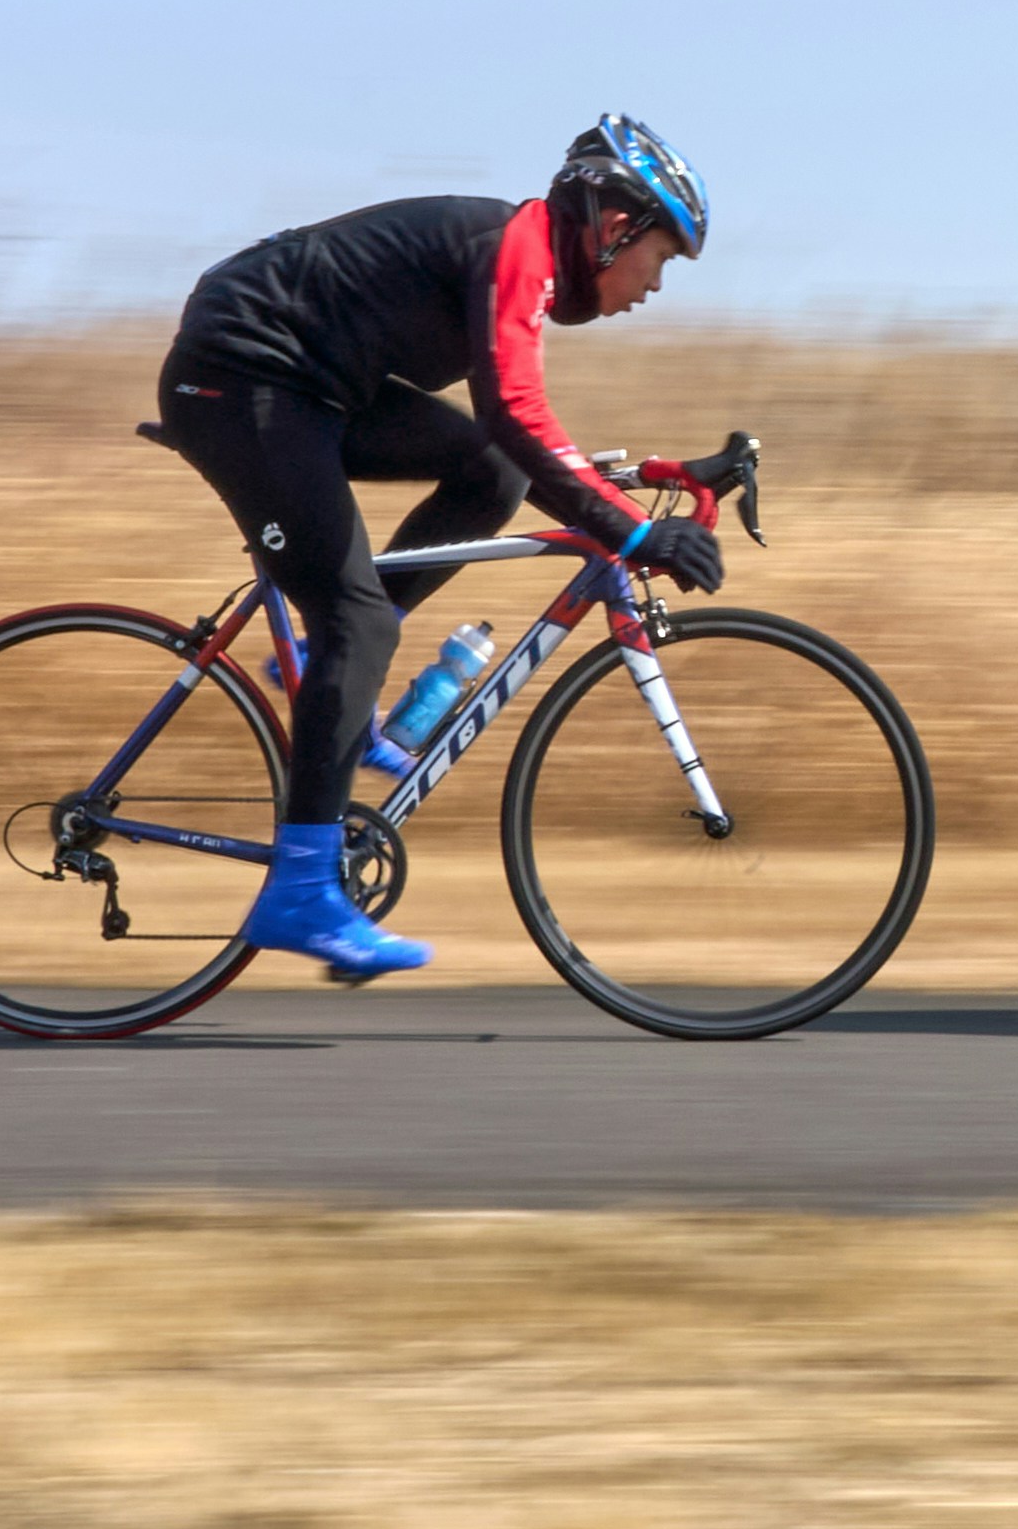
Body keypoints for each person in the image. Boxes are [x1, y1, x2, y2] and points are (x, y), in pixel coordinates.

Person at [158, 119, 725, 980]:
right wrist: (634, 528)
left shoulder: (523, 260)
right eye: (664, 255)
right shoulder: (517, 249)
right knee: (360, 621)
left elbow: (519, 442)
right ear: (615, 227)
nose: (657, 282)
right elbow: (519, 410)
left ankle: (322, 664)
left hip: (314, 388)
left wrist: (649, 478)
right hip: (241, 380)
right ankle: (301, 891)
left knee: (487, 474)